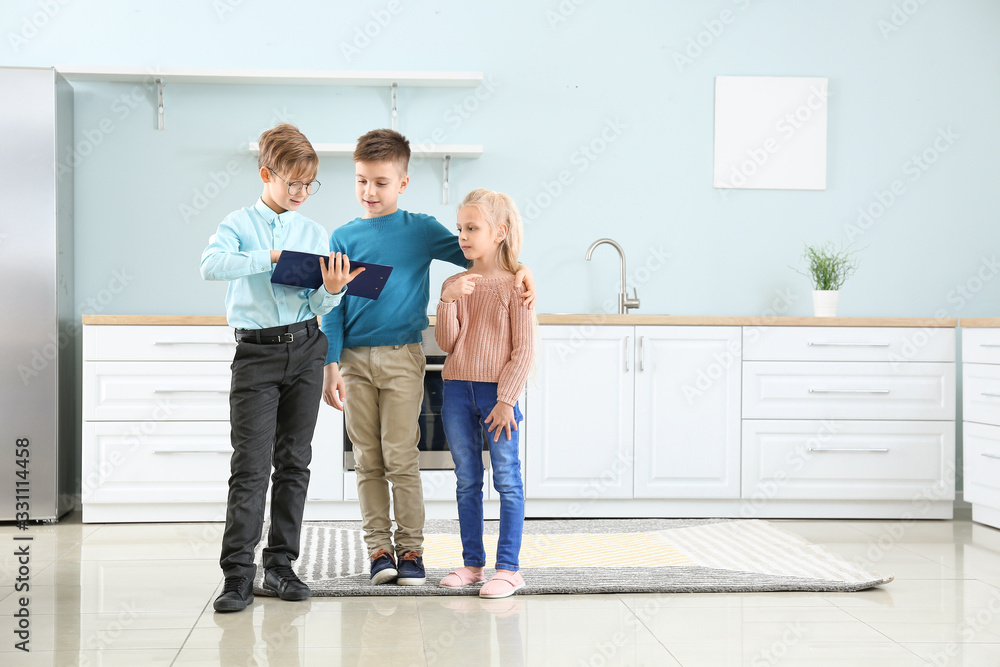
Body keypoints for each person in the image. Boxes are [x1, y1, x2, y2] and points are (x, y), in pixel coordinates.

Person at [320, 129, 536, 586]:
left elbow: (477, 254)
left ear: (402, 183)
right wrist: (331, 363)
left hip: (403, 358)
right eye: (361, 181)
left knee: (401, 456)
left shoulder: (419, 230)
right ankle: (379, 549)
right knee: (367, 458)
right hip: (355, 361)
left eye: (380, 182)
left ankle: (412, 551)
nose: (369, 191)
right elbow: (333, 306)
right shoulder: (343, 235)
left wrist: (522, 268)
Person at [201, 123, 363, 613]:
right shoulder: (237, 225)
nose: (300, 193)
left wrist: (333, 290)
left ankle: (280, 566)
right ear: (266, 173)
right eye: (292, 183)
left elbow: (317, 302)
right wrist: (269, 256)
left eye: (308, 184)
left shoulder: (314, 232)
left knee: (295, 462)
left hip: (306, 349)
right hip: (256, 354)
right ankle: (237, 575)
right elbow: (211, 266)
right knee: (250, 467)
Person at [435, 188, 533, 599]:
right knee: (466, 480)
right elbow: (446, 343)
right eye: (460, 228)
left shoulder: (516, 286)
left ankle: (509, 569)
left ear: (500, 232)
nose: (463, 235)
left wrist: (507, 399)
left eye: (472, 227)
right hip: (457, 391)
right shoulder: (456, 283)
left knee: (507, 479)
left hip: (498, 396)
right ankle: (473, 564)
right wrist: (446, 301)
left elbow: (524, 349)